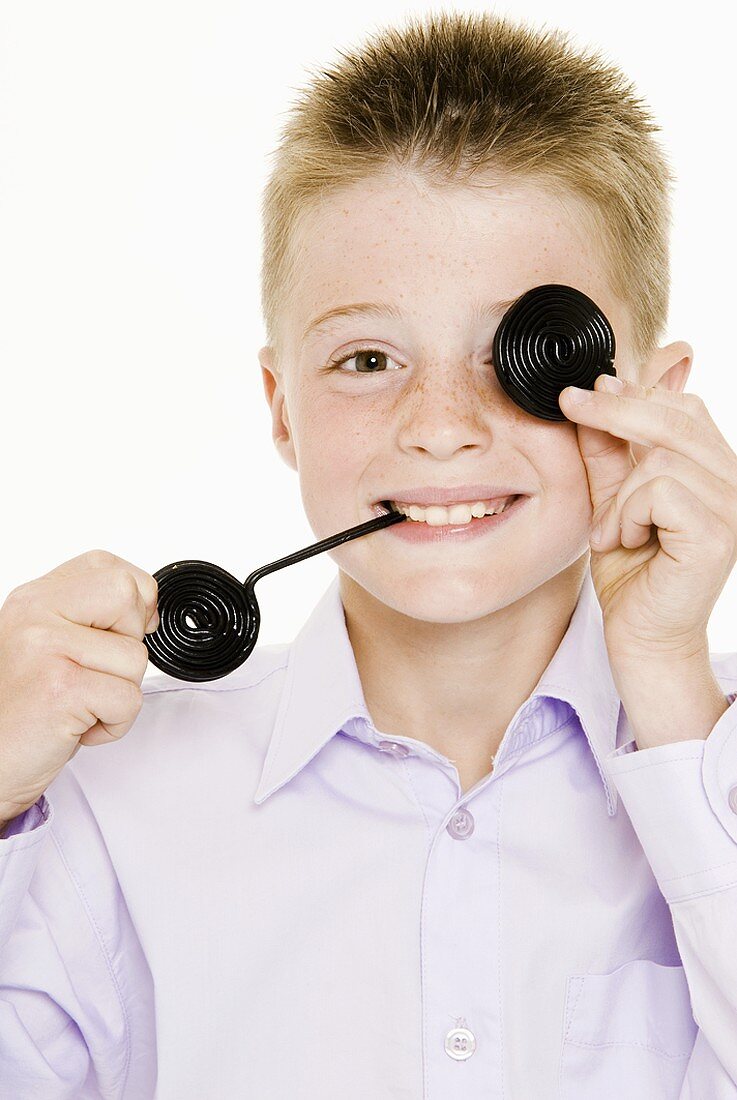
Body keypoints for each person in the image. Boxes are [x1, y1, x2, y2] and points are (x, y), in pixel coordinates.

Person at [2, 10, 737, 1098]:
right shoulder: (111, 800)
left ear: (652, 404)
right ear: (281, 408)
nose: (440, 424)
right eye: (365, 356)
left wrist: (674, 691)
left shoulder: (704, 755)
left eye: (519, 356)